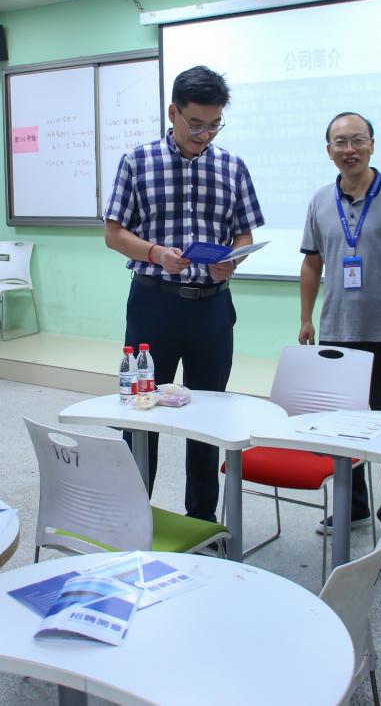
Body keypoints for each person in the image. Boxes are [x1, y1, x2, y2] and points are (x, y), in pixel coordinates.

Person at [103, 65, 264, 521]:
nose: (204, 135)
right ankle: (134, 517)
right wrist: (154, 253)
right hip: (153, 303)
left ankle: (202, 520)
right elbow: (114, 234)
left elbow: (244, 234)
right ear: (173, 112)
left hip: (211, 308)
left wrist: (231, 260)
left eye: (214, 125)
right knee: (141, 411)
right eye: (195, 124)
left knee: (208, 415)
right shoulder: (137, 162)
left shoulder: (232, 166)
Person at [299, 111, 381, 543]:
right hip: (337, 330)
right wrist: (306, 317)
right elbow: (312, 262)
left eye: (357, 140)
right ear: (329, 151)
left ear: (372, 144)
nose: (349, 149)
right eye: (340, 142)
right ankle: (353, 506)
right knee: (342, 425)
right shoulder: (320, 200)